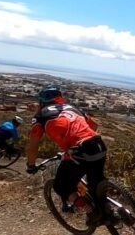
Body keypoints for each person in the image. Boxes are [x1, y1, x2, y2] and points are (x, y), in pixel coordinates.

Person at [25, 85, 107, 222]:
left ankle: (90, 211)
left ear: (42, 102)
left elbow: (33, 146)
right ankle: (112, 211)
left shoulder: (40, 117)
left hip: (79, 150)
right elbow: (94, 126)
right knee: (96, 184)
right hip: (98, 144)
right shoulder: (73, 108)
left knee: (60, 186)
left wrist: (31, 165)